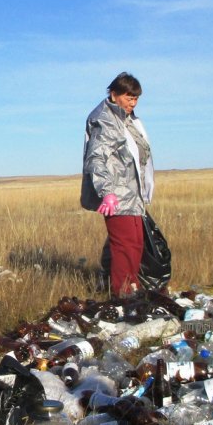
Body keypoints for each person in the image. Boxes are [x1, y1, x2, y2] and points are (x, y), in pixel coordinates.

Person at [80, 72, 155, 296]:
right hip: (116, 195)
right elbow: (95, 158)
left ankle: (128, 288)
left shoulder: (126, 118)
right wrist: (107, 192)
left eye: (136, 98)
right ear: (114, 95)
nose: (134, 103)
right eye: (129, 97)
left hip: (132, 194)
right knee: (124, 246)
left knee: (135, 243)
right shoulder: (104, 120)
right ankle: (123, 295)